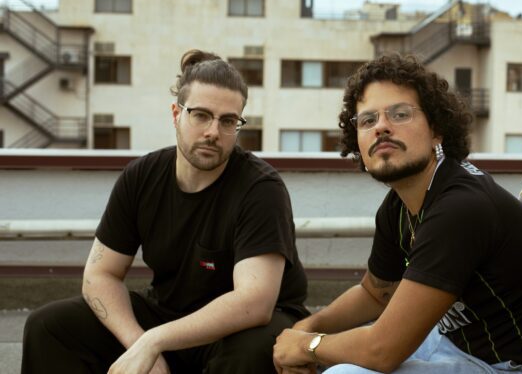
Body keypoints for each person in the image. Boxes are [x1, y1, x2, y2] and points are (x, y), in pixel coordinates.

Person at [22, 49, 308, 374]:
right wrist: (137, 342)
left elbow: (254, 303)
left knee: (250, 352)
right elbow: (100, 275)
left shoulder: (260, 188)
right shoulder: (142, 176)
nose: (213, 132)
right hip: (169, 311)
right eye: (201, 115)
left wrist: (154, 341)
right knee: (49, 327)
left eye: (228, 121)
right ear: (176, 114)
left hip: (249, 325)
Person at [273, 53, 522, 373]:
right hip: (454, 343)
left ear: (437, 130)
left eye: (400, 114)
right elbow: (376, 294)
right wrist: (309, 326)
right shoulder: (399, 206)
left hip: (512, 366)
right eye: (367, 120)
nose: (381, 127)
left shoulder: (461, 207)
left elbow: (382, 350)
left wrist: (308, 346)